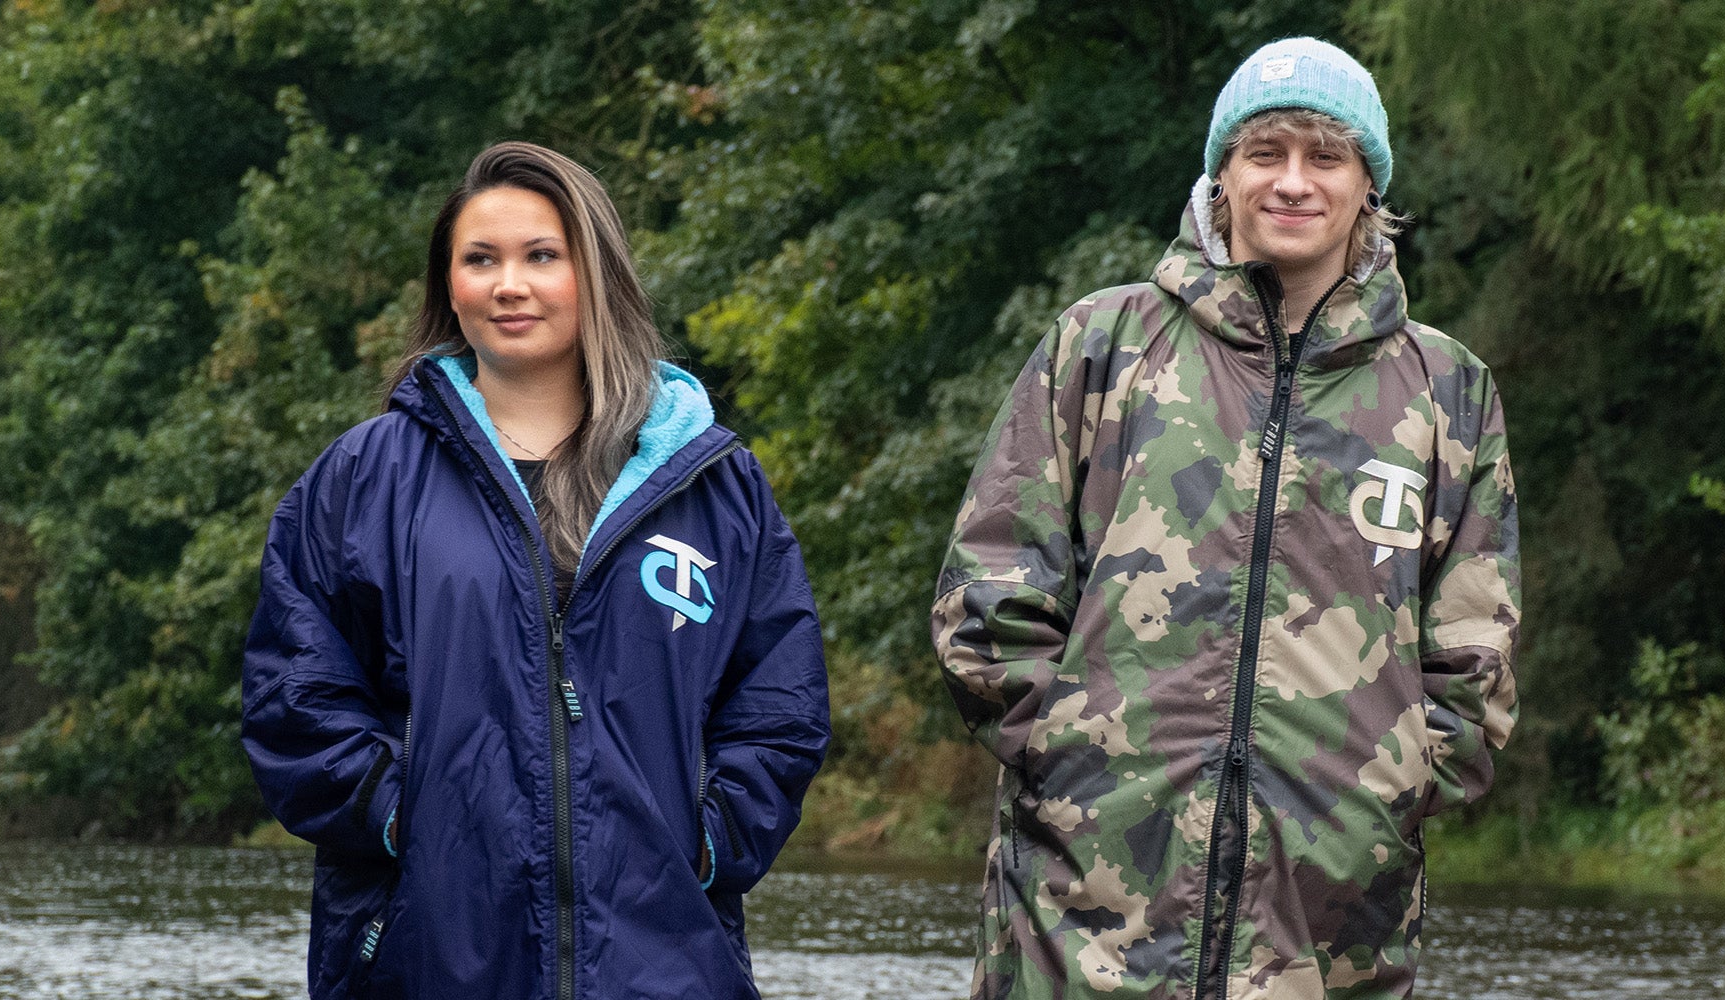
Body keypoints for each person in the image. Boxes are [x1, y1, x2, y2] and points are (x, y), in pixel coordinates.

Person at [932, 37, 1521, 999]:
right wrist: (1067, 761)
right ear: (1223, 175)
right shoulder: (1103, 344)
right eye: (1266, 153)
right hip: (1088, 904)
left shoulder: (1447, 388)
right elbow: (989, 585)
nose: (1294, 183)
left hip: (1332, 920)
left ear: (1368, 185)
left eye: (1325, 157)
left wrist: (1396, 794)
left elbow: (1476, 645)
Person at [243, 141, 830, 1000]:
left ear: (596, 274)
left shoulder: (712, 482)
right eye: (480, 259)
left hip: (663, 961)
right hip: (429, 958)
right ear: (449, 285)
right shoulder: (365, 477)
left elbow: (780, 700)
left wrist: (711, 839)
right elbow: (293, 690)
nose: (508, 284)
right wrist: (396, 811)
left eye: (540, 256)